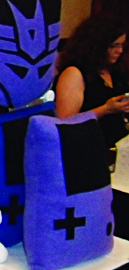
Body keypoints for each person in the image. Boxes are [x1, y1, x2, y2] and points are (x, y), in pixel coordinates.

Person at [54, 14, 129, 164]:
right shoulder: (74, 73)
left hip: (115, 148)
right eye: (114, 46)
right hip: (87, 151)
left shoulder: (114, 71)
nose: (119, 51)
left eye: (121, 45)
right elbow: (66, 121)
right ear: (97, 45)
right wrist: (106, 109)